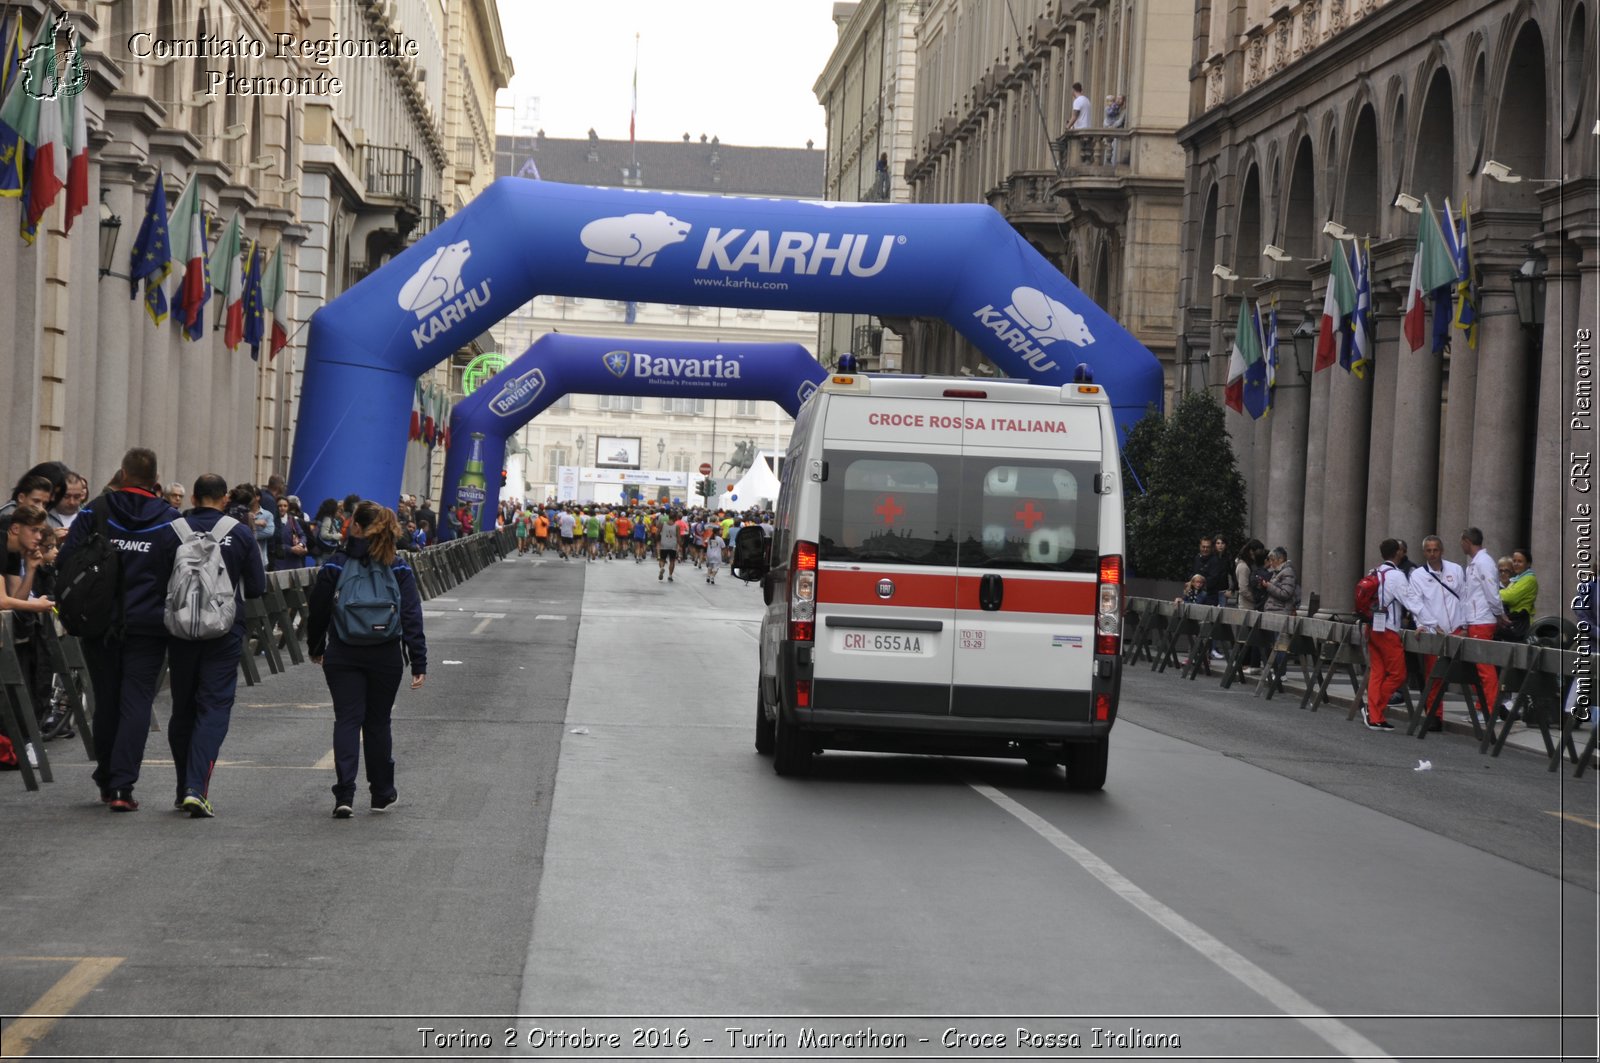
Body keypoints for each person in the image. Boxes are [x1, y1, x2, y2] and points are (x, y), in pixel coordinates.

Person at [58, 448, 182, 811]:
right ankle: (122, 788)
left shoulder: (94, 511)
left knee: (107, 698)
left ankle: (106, 774)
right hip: (149, 624)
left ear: (123, 474)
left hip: (99, 623)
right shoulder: (171, 519)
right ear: (155, 480)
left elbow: (67, 563)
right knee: (137, 701)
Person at [307, 501, 427, 818]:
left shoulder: (336, 564)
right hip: (385, 653)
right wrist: (418, 661)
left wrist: (316, 645)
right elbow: (411, 615)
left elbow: (318, 608)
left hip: (343, 651)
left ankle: (344, 794)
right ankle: (381, 793)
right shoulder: (398, 566)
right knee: (377, 722)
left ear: (355, 527)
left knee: (347, 720)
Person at [165, 475, 266, 817]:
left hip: (180, 631)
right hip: (223, 631)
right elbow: (255, 587)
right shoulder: (239, 533)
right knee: (214, 707)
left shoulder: (173, 528)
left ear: (193, 496)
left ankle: (183, 788)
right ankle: (197, 788)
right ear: (224, 499)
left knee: (183, 708)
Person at [1362, 538, 1427, 732]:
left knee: (1378, 673)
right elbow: (1410, 602)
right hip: (1388, 629)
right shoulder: (1397, 576)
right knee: (1398, 674)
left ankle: (1375, 715)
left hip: (1371, 626)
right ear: (1398, 553)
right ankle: (1373, 710)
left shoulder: (1374, 572)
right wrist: (1424, 622)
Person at [1411, 535, 1466, 731]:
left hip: (1457, 628)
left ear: (1441, 551)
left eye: (1435, 550)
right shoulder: (1417, 575)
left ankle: (1484, 711)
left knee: (1470, 674)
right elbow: (1416, 603)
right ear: (1424, 552)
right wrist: (1424, 624)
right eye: (1428, 550)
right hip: (1435, 631)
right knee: (1435, 676)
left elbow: (1464, 596)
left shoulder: (1456, 570)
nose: (1432, 554)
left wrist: (1466, 624)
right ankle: (1435, 715)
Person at [1460, 526, 1508, 711]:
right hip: (1476, 619)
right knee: (1478, 668)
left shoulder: (1484, 563)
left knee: (1484, 668)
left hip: (1482, 620)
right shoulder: (1475, 564)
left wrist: (1499, 613)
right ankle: (1483, 705)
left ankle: (1491, 707)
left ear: (1467, 541)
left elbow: (1491, 592)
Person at [1499, 547, 1538, 635]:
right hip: (1513, 620)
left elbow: (1510, 597)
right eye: (1514, 561)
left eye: (1520, 561)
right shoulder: (1517, 579)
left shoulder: (1529, 579)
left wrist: (1493, 593)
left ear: (1528, 564)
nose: (1516, 564)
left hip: (1520, 622)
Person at [1257, 547, 1299, 614]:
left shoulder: (1288, 572)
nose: (1270, 563)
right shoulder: (1277, 571)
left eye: (1273, 560)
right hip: (1274, 610)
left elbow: (1285, 594)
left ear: (1281, 559)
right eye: (1270, 560)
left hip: (1281, 611)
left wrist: (1269, 586)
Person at [658, 511, 681, 582]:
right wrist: (679, 544)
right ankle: (670, 575)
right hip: (672, 545)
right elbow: (678, 537)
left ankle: (662, 568)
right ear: (675, 518)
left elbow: (657, 532)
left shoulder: (663, 524)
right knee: (672, 561)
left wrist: (657, 539)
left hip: (664, 544)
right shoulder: (677, 526)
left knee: (662, 559)